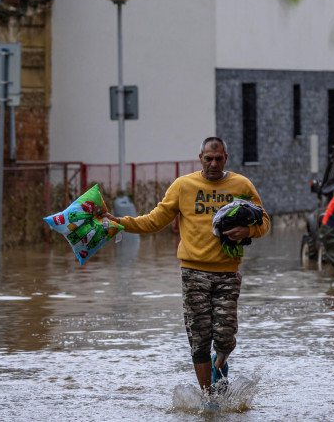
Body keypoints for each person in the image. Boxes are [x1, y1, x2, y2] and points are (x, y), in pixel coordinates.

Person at [100, 137, 270, 394]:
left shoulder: (241, 184)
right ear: (200, 158)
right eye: (208, 158)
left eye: (219, 158)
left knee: (225, 337)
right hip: (193, 272)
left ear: (226, 159)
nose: (213, 164)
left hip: (227, 272)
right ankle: (208, 397)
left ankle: (220, 362)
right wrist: (120, 222)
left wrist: (249, 229)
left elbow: (264, 221)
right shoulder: (183, 186)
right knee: (199, 340)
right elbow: (154, 221)